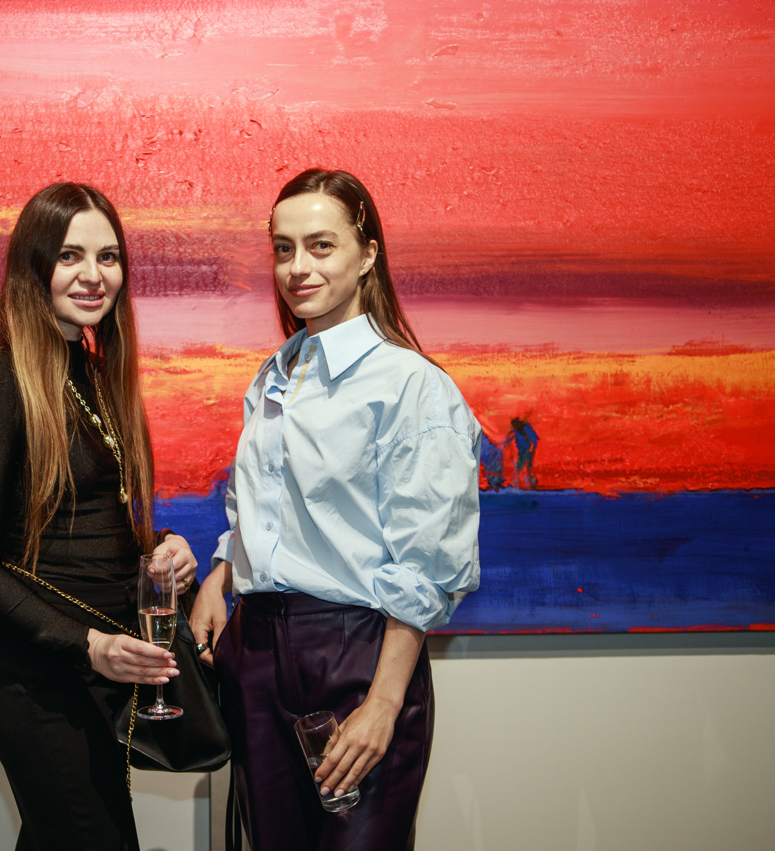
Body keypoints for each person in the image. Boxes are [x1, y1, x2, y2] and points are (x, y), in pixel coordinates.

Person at [190, 168, 481, 850]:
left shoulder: (412, 386)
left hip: (358, 655)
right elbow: (262, 507)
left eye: (321, 245)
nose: (298, 267)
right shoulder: (275, 375)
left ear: (367, 254)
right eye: (283, 248)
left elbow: (427, 565)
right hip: (257, 652)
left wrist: (384, 703)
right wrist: (220, 575)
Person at [0, 182, 198, 851]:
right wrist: (89, 645)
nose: (93, 274)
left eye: (108, 256)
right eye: (69, 255)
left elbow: (84, 523)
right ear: (34, 266)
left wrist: (163, 546)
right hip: (33, 678)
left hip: (99, 671)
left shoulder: (94, 373)